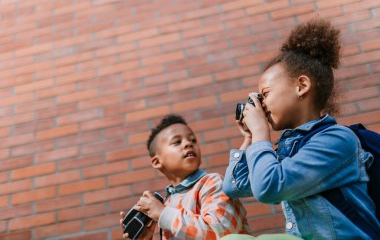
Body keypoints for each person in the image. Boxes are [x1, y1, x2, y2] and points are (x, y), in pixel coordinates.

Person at [222, 18, 380, 240]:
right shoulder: (290, 148)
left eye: (265, 94)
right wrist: (250, 139)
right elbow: (233, 187)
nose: (261, 104)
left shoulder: (337, 140)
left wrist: (261, 134)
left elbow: (270, 187)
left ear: (301, 86)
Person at [119, 114, 252, 240]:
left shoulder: (212, 182)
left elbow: (221, 232)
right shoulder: (166, 204)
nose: (188, 143)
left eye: (193, 140)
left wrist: (164, 214)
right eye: (177, 142)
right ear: (157, 162)